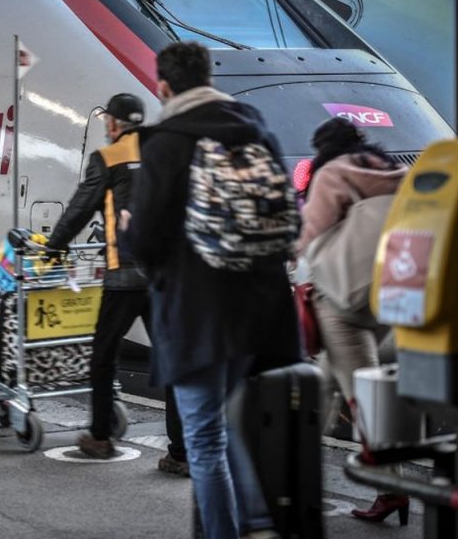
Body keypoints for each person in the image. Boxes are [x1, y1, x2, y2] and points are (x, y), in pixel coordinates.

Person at [125, 41, 298, 539]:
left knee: (204, 440)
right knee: (241, 427)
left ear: (163, 87)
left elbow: (149, 241)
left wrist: (131, 227)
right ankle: (260, 520)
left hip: (198, 314)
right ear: (210, 79)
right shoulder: (254, 129)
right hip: (263, 314)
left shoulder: (166, 142)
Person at [45, 93, 189, 473]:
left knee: (103, 356)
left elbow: (80, 208)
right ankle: (181, 453)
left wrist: (54, 248)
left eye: (108, 120)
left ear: (114, 123)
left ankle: (99, 437)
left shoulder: (107, 158)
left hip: (124, 275)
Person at [296, 117, 409, 525]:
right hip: (384, 298)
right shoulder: (395, 170)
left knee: (363, 395)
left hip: (341, 301)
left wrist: (289, 254)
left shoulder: (332, 173)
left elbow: (311, 232)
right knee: (324, 383)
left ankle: (391, 486)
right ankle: (292, 470)